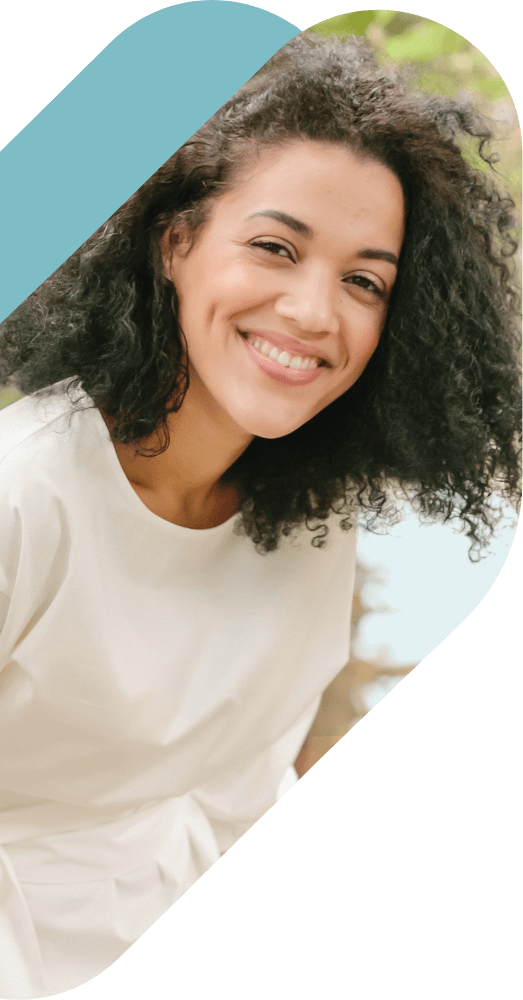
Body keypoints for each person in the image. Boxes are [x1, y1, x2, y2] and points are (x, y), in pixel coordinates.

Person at [0, 30, 521, 997]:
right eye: (275, 247)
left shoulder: (311, 520)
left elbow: (242, 791)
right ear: (175, 241)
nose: (317, 312)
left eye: (365, 281)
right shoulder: (23, 496)